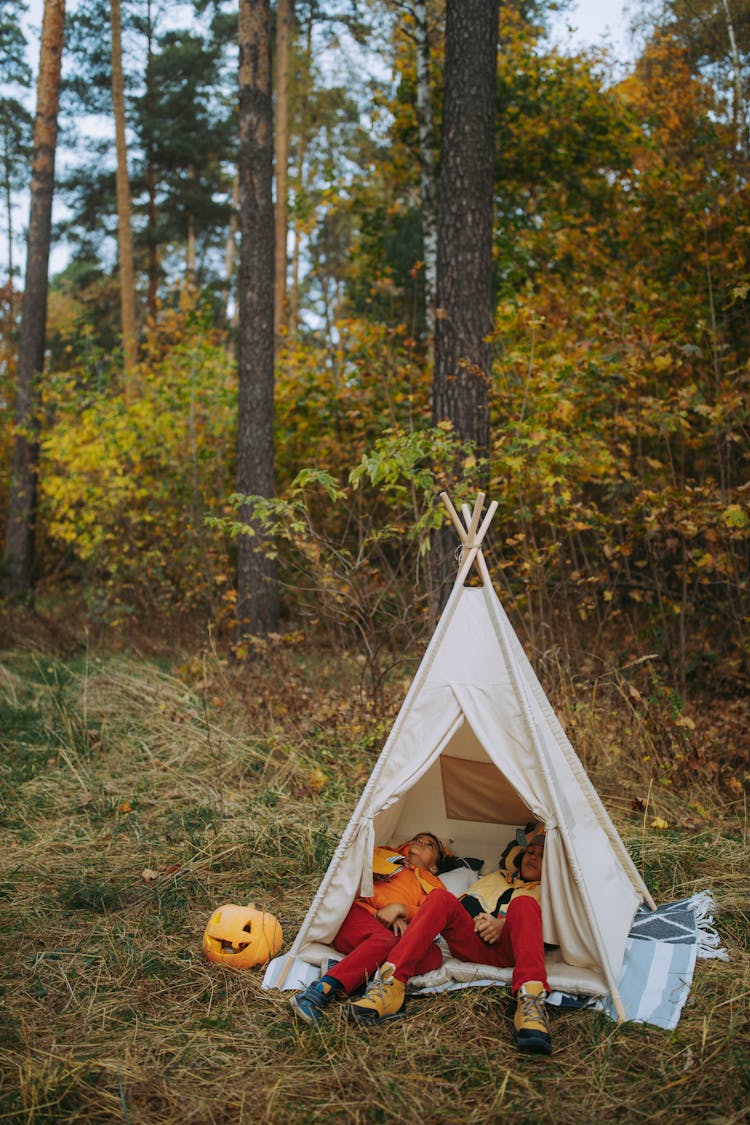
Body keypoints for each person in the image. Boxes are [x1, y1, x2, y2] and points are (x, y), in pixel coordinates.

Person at [346, 822, 552, 1055]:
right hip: (473, 943)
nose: (533, 858)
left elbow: (553, 929)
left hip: (512, 950)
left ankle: (531, 1002)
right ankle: (391, 986)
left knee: (524, 904)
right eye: (530, 852)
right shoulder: (495, 878)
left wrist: (502, 925)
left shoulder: (550, 890)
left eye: (542, 856)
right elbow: (465, 904)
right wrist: (479, 920)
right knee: (440, 897)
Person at [289, 832, 450, 1024]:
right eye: (416, 839)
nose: (420, 843)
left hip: (395, 933)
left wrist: (401, 911)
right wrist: (388, 908)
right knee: (387, 941)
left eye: (429, 845)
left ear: (434, 866)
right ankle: (320, 991)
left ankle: (350, 973)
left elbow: (431, 915)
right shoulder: (384, 855)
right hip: (361, 915)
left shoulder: (434, 886)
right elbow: (362, 882)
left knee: (433, 954)